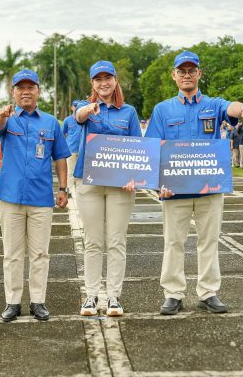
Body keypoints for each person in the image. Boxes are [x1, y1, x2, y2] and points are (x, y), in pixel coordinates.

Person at [144, 50, 243, 315]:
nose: (186, 75)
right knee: (174, 242)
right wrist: (156, 182)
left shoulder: (212, 104)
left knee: (209, 240)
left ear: (199, 74)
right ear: (174, 76)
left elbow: (231, 107)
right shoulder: (163, 109)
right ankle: (173, 293)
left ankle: (208, 292)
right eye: (181, 71)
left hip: (209, 185)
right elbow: (153, 147)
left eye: (191, 71)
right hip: (175, 188)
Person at [0, 69, 69, 322]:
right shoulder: (8, 119)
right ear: (13, 92)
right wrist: (1, 114)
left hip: (40, 197)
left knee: (40, 253)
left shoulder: (50, 122)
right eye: (20, 87)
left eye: (31, 87)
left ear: (38, 91)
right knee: (12, 253)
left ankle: (38, 301)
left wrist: (63, 188)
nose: (26, 91)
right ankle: (12, 302)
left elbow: (60, 158)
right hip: (11, 196)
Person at [73, 61, 141, 317]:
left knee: (116, 241)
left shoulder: (129, 112)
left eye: (108, 78)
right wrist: (88, 110)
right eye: (98, 79)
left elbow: (138, 146)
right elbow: (78, 118)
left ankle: (113, 297)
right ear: (92, 83)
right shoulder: (85, 107)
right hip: (89, 183)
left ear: (115, 81)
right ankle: (91, 296)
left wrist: (134, 176)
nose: (103, 83)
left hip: (120, 186)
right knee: (92, 241)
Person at [62, 100, 82, 192]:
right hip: (71, 149)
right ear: (72, 108)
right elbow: (62, 134)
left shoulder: (84, 119)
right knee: (70, 172)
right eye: (75, 106)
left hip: (83, 150)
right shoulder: (67, 120)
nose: (76, 107)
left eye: (78, 106)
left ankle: (78, 190)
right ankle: (70, 191)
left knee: (81, 172)